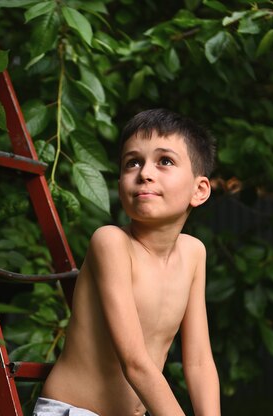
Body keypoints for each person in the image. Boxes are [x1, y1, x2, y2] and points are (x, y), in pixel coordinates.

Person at [33, 108, 221, 416]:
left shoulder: (193, 254)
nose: (144, 173)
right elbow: (135, 363)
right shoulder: (111, 243)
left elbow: (199, 361)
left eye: (165, 161)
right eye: (132, 162)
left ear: (198, 190)